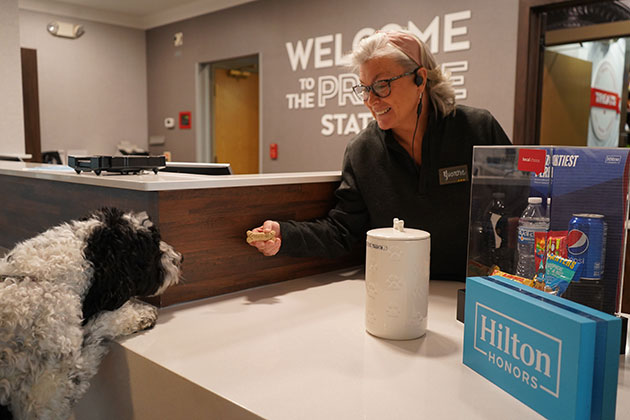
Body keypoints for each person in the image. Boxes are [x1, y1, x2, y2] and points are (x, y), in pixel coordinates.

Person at [249, 30, 511, 281]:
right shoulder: (362, 150)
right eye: (364, 88)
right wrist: (284, 234)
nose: (371, 100)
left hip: (469, 289)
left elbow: (517, 209)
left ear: (420, 78)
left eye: (382, 85)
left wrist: (504, 271)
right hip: (395, 288)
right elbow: (342, 231)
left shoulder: (477, 128)